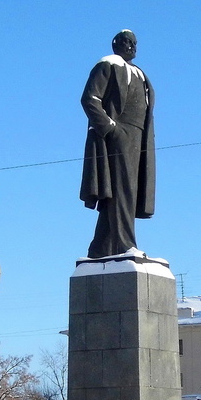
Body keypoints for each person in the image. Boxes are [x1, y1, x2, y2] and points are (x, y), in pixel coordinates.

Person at [79, 29, 156, 259]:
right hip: (119, 135)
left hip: (139, 139)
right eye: (126, 42)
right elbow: (90, 99)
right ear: (115, 44)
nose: (131, 46)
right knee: (123, 190)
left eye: (134, 43)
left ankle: (100, 249)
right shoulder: (107, 65)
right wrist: (111, 128)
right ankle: (125, 245)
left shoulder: (140, 74)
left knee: (125, 193)